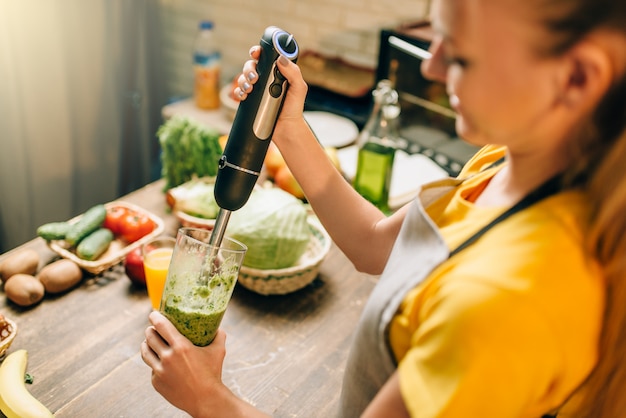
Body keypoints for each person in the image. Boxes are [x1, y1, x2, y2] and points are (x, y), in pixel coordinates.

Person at [141, 0, 626, 416]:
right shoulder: (504, 164)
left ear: (578, 77)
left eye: (460, 55)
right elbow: (373, 243)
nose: (432, 68)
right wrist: (287, 125)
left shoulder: (508, 301)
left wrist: (210, 400)